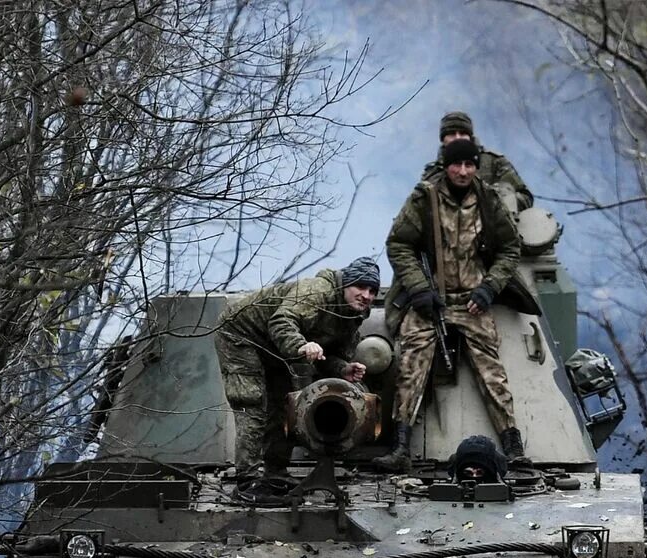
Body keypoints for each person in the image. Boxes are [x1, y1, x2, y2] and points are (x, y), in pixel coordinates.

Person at [375, 138, 528, 472]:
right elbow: (398, 243)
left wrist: (490, 287)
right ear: (446, 165)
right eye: (456, 165)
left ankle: (513, 445)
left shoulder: (487, 199)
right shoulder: (425, 198)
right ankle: (400, 446)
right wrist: (418, 288)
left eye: (469, 165)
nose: (462, 171)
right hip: (431, 301)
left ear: (475, 166)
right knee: (411, 363)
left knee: (492, 372)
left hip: (474, 301)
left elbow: (509, 249)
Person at [216, 257, 379, 476]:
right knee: (251, 401)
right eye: (360, 286)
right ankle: (248, 479)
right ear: (345, 284)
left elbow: (327, 356)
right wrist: (302, 345)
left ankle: (275, 473)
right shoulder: (317, 291)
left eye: (372, 290)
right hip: (242, 334)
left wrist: (343, 369)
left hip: (277, 348)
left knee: (286, 405)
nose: (366, 295)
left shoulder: (353, 314)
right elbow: (281, 321)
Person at [420, 110, 532, 210]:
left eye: (462, 133)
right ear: (443, 139)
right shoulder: (433, 172)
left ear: (470, 136)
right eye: (452, 134)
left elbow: (525, 196)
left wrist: (495, 201)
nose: (457, 138)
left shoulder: (494, 162)